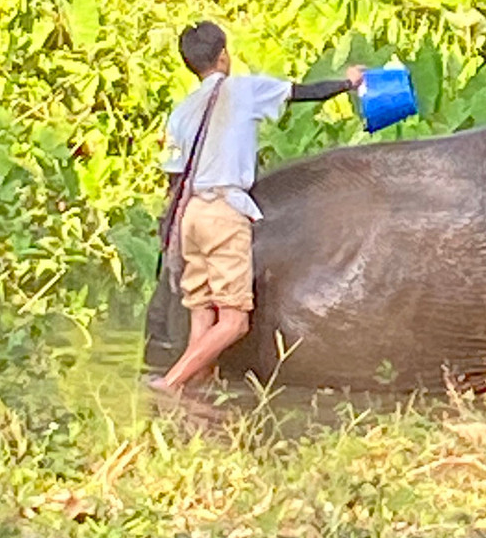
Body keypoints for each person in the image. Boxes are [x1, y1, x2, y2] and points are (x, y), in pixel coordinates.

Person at [150, 21, 364, 394]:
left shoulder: (182, 111)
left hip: (192, 217)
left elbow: (174, 177)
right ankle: (172, 383)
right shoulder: (243, 90)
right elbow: (304, 93)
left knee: (203, 310)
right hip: (223, 212)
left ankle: (194, 392)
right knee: (234, 322)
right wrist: (349, 82)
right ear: (223, 56)